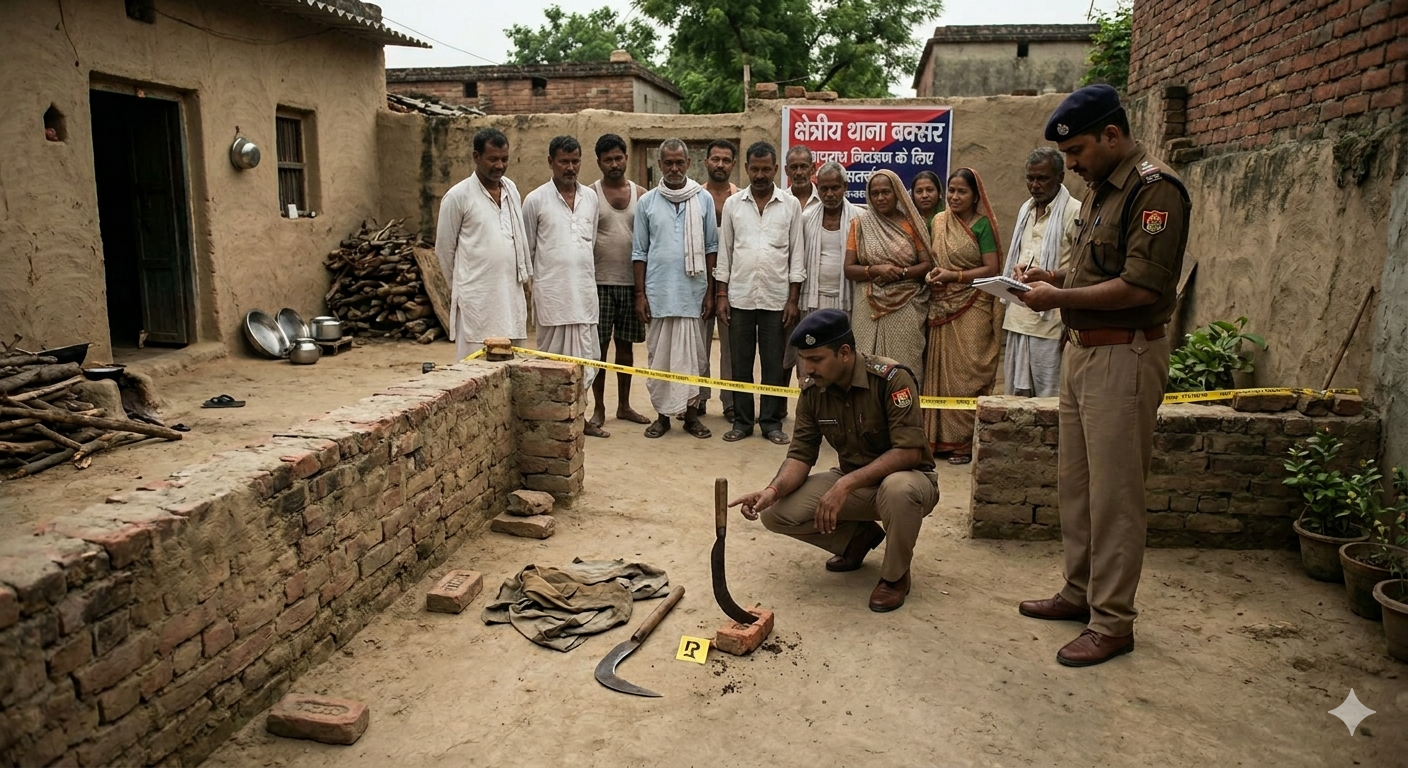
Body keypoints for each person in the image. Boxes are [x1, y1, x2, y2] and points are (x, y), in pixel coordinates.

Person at [1015, 85, 1190, 667]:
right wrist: (1054, 276)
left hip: (1126, 356)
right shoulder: (1100, 191)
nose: (1072, 165)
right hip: (1084, 350)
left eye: (1078, 151)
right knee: (1078, 487)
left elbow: (1143, 286)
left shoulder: (1153, 189)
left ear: (1112, 135)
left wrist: (1059, 294)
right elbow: (1097, 267)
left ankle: (1113, 622)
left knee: (1116, 496)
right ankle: (1079, 593)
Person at [730, 309, 939, 612]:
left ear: (844, 353)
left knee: (898, 489)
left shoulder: (891, 378)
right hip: (855, 483)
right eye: (804, 359)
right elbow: (801, 453)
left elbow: (908, 452)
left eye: (816, 359)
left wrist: (845, 485)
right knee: (776, 512)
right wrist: (771, 491)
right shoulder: (814, 390)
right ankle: (857, 540)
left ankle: (895, 577)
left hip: (909, 481)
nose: (808, 368)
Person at [715, 141, 805, 445]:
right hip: (739, 297)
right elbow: (725, 254)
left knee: (773, 366)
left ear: (776, 170)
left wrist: (792, 299)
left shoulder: (790, 205)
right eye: (755, 169)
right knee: (740, 364)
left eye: (766, 169)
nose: (760, 175)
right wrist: (722, 296)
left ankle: (770, 423)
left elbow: (797, 256)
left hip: (776, 300)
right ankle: (742, 422)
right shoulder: (733, 205)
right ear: (746, 169)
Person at [632, 138, 718, 440]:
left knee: (694, 359)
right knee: (661, 358)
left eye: (679, 162)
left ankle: (692, 417)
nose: (674, 168)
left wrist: (710, 292)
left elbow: (711, 248)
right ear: (660, 165)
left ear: (688, 164)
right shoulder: (647, 203)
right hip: (659, 294)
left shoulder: (702, 199)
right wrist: (640, 294)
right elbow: (639, 252)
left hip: (693, 293)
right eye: (668, 163)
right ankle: (662, 417)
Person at [522, 135, 603, 433]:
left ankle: (580, 419)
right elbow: (528, 249)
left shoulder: (590, 198)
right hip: (553, 297)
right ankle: (553, 421)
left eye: (575, 161)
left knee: (587, 359)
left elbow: (589, 243)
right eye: (564, 162)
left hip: (583, 296)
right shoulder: (535, 200)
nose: (570, 168)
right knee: (552, 365)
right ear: (550, 162)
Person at [922, 167, 1002, 463]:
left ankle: (964, 442)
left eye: (962, 192)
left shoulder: (982, 226)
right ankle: (938, 439)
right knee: (940, 374)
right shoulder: (939, 222)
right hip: (941, 304)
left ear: (975, 196)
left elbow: (991, 268)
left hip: (973, 304)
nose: (955, 197)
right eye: (951, 191)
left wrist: (954, 275)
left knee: (968, 373)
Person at [435, 127, 531, 360]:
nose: (499, 165)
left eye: (504, 159)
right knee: (474, 371)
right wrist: (465, 286)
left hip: (510, 297)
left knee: (512, 367)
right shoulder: (458, 196)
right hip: (477, 303)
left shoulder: (512, 190)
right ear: (476, 157)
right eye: (493, 159)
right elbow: (444, 252)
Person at [1001, 147, 1079, 398]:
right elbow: (1022, 254)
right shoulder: (1025, 210)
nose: (1034, 185)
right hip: (1018, 318)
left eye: (1042, 178)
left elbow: (1084, 270)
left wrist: (1050, 276)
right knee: (1015, 401)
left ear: (1060, 177)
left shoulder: (1074, 212)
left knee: (1050, 399)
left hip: (1052, 323)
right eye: (1030, 178)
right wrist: (1018, 269)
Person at [841, 169, 932, 382]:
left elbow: (927, 264)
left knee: (904, 365)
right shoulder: (860, 224)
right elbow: (849, 269)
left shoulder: (912, 224)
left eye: (886, 192)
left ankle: (904, 411)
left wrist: (901, 272)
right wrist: (874, 270)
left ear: (897, 193)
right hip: (868, 304)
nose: (880, 198)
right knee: (866, 361)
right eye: (875, 193)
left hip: (907, 304)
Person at [588, 134, 651, 433]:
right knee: (599, 350)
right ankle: (599, 408)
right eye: (608, 159)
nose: (614, 164)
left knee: (625, 349)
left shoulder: (642, 194)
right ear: (599, 162)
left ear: (626, 158)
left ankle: (624, 405)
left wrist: (643, 290)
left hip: (632, 285)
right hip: (598, 284)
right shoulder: (590, 195)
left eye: (619, 158)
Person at [702, 139, 740, 422]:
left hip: (732, 283)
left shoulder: (740, 199)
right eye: (715, 159)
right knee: (699, 344)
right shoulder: (695, 197)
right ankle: (699, 398)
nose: (720, 165)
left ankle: (730, 401)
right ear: (706, 162)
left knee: (730, 347)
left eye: (726, 160)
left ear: (734, 165)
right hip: (700, 283)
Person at [909, 171, 945, 235]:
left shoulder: (948, 221)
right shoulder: (907, 223)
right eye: (919, 191)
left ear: (939, 193)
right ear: (913, 196)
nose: (924, 195)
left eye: (930, 190)